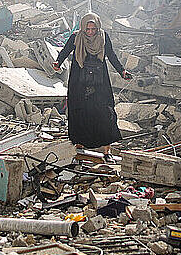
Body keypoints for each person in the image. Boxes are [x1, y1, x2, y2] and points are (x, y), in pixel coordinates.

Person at [53, 12, 132, 152]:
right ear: (83, 27)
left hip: (99, 80)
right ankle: (79, 144)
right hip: (79, 80)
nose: (90, 32)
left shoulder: (103, 37)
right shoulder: (76, 37)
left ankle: (106, 148)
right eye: (87, 29)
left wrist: (122, 71)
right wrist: (58, 62)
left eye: (93, 29)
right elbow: (65, 51)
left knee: (104, 111)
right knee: (80, 111)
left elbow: (111, 55)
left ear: (98, 27)